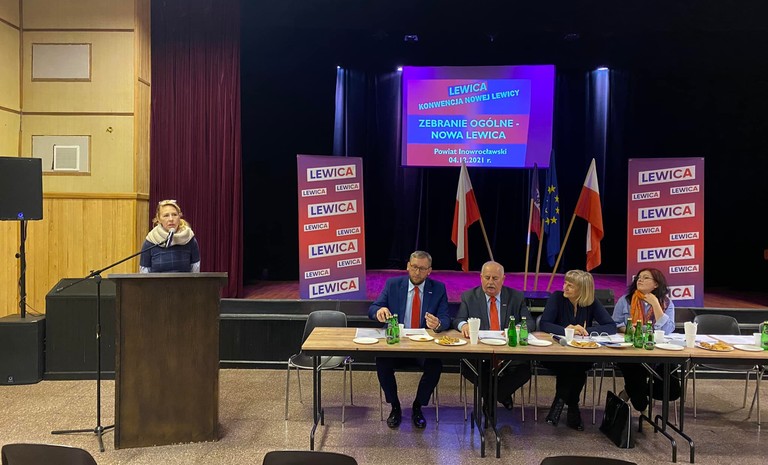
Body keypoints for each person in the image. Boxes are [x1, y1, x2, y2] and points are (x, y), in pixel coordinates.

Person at [368, 251, 451, 429]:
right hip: (398, 344)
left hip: (422, 346)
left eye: (422, 268)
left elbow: (446, 317)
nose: (417, 272)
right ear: (408, 266)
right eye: (414, 267)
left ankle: (418, 406)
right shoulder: (393, 285)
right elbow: (373, 308)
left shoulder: (438, 288)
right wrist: (379, 311)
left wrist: (438, 324)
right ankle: (395, 406)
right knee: (382, 361)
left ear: (429, 270)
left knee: (435, 365)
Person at [539, 269, 617, 430]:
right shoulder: (557, 298)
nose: (565, 287)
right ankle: (573, 407)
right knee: (573, 367)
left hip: (581, 353)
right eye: (565, 283)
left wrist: (586, 332)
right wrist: (567, 330)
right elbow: (544, 324)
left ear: (582, 290)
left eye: (570, 285)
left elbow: (611, 326)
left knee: (577, 364)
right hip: (555, 353)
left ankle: (559, 403)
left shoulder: (591, 302)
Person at [453, 261, 534, 412]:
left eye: (495, 278)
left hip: (508, 353)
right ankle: (501, 396)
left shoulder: (516, 297)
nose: (490, 282)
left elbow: (529, 322)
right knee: (469, 367)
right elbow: (458, 320)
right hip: (481, 352)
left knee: (523, 370)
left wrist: (516, 328)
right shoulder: (469, 296)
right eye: (487, 278)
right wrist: (463, 325)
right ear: (481, 278)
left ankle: (491, 399)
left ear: (503, 279)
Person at [612, 268, 679, 411]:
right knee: (640, 400)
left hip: (658, 352)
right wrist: (629, 329)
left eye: (645, 277)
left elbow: (667, 330)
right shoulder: (625, 300)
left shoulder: (666, 303)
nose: (640, 280)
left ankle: (631, 390)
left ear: (656, 284)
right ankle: (638, 395)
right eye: (639, 277)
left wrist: (655, 304)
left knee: (673, 392)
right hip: (631, 351)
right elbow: (615, 324)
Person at [139, 199, 201, 273]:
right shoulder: (150, 241)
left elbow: (195, 271)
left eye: (174, 215)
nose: (171, 219)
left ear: (179, 216)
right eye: (166, 215)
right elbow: (144, 273)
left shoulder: (189, 238)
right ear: (158, 219)